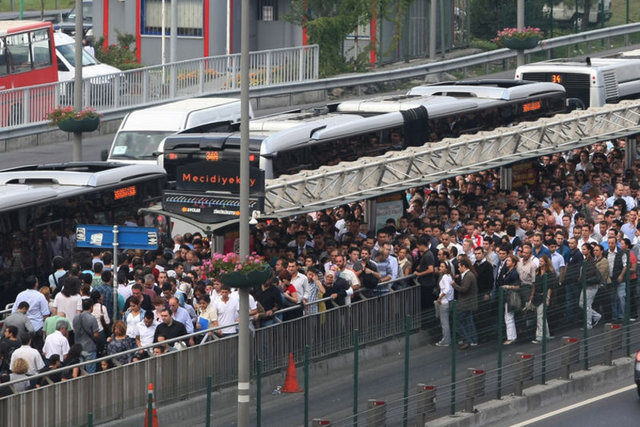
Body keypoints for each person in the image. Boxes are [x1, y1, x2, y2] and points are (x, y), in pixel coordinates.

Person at [12, 275, 50, 351]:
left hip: (24, 329)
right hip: (37, 328)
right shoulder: (40, 296)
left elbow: (14, 311)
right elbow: (45, 314)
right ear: (36, 284)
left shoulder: (20, 295)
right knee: (39, 350)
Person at [452, 258, 478, 349]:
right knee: (469, 322)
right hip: (468, 304)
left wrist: (454, 285)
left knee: (457, 322)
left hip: (465, 304)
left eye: (459, 267)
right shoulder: (468, 275)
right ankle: (473, 339)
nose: (458, 269)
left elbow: (464, 289)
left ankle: (467, 340)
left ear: (463, 266)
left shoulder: (468, 276)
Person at [530, 255, 556, 344]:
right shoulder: (537, 272)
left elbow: (550, 287)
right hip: (536, 296)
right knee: (542, 316)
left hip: (543, 296)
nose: (540, 263)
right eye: (539, 261)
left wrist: (548, 298)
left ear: (545, 262)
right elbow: (533, 285)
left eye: (541, 261)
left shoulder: (549, 273)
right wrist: (531, 297)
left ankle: (540, 335)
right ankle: (547, 334)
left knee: (540, 316)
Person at [497, 254, 520, 345]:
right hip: (506, 296)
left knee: (509, 317)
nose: (507, 262)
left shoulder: (514, 273)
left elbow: (517, 286)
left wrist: (508, 286)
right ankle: (511, 336)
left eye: (509, 261)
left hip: (510, 296)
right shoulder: (508, 271)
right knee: (508, 316)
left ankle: (511, 337)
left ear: (513, 263)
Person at [72, 299, 99, 373]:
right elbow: (96, 334)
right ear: (91, 307)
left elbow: (74, 330)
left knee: (81, 371)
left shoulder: (76, 317)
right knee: (90, 371)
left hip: (78, 348)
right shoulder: (92, 318)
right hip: (90, 348)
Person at [435, 262, 455, 347]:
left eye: (443, 267)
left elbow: (447, 289)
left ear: (447, 268)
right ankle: (447, 339)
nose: (440, 268)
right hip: (448, 301)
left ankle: (446, 340)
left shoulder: (445, 277)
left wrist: (440, 298)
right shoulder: (449, 276)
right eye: (440, 266)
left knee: (444, 322)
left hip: (444, 302)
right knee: (446, 322)